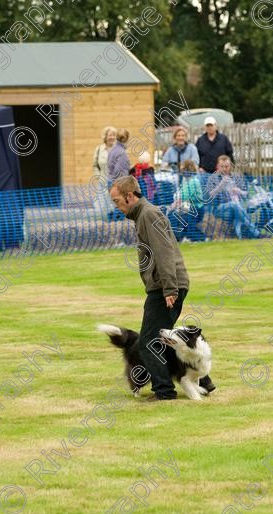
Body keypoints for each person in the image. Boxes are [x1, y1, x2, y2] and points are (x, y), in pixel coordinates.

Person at [109, 175, 215, 401]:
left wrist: (169, 289)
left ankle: (165, 392)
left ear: (129, 196)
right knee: (164, 340)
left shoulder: (148, 214)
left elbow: (164, 253)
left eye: (117, 201)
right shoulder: (144, 215)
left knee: (148, 343)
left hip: (165, 287)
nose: (116, 207)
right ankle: (204, 382)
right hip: (166, 285)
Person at [209, 155, 260, 239]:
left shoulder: (236, 177)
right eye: (222, 166)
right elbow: (210, 195)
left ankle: (240, 236)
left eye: (227, 166)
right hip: (220, 208)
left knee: (238, 209)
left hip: (238, 206)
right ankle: (256, 233)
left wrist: (240, 191)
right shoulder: (213, 178)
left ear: (230, 166)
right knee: (235, 206)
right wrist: (221, 185)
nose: (225, 169)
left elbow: (247, 194)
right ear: (218, 166)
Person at [168, 160, 205, 242]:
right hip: (188, 208)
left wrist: (171, 207)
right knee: (174, 217)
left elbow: (182, 197)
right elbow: (179, 195)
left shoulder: (194, 181)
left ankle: (201, 238)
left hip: (196, 209)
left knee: (189, 226)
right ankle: (180, 238)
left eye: (183, 169)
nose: (181, 171)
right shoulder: (185, 181)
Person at [92, 126, 117, 218]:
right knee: (101, 206)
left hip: (116, 183)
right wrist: (98, 177)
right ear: (105, 137)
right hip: (102, 182)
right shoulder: (99, 149)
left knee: (114, 205)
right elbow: (95, 166)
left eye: (114, 135)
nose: (112, 137)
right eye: (110, 135)